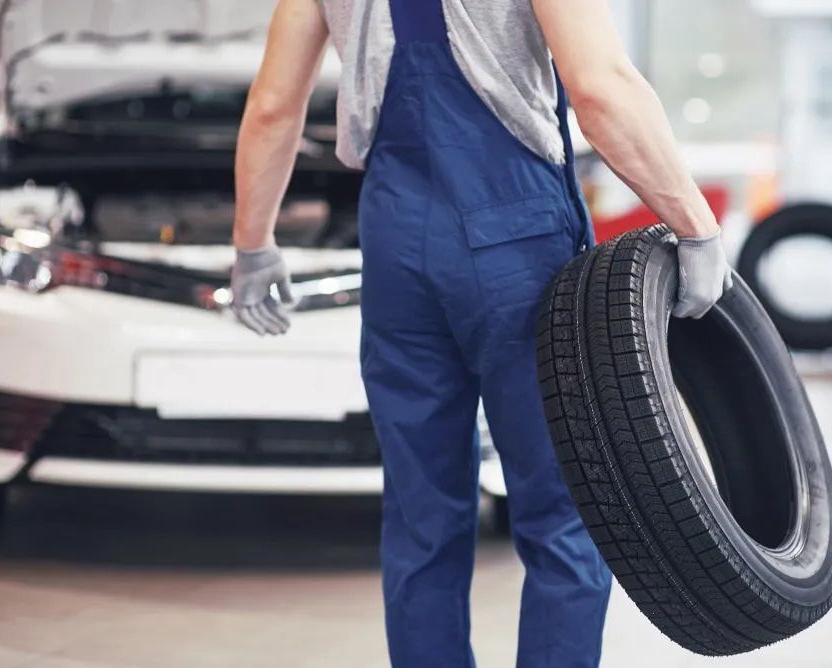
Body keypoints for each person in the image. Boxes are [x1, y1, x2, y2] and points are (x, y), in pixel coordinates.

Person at [231, 1, 732, 665]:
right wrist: (694, 223)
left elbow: (272, 105)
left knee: (421, 517)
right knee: (565, 510)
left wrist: (253, 243)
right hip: (514, 239)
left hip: (395, 242)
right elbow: (600, 86)